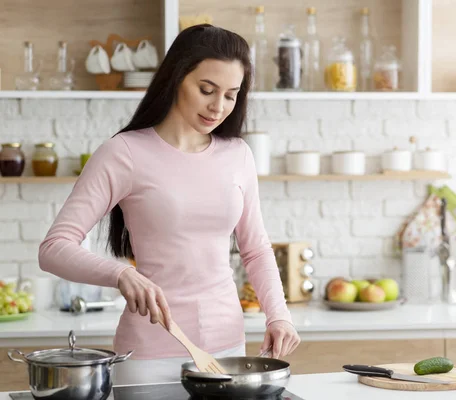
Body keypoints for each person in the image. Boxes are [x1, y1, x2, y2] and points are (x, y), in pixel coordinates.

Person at [38, 24, 300, 384]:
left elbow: (255, 249)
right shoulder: (125, 153)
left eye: (231, 94)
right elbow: (54, 248)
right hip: (149, 356)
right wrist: (121, 274)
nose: (218, 107)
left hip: (227, 351)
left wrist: (279, 315)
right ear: (177, 77)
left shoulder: (238, 155)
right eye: (206, 90)